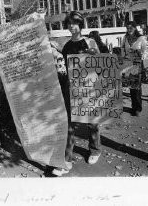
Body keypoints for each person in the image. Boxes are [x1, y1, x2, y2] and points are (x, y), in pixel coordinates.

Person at [52, 11, 101, 176]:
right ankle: (66, 160)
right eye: (69, 24)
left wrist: (94, 55)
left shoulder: (89, 42)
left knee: (91, 122)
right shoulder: (67, 45)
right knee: (70, 124)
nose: (71, 27)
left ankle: (95, 150)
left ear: (80, 24)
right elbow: (65, 59)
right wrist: (52, 45)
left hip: (88, 87)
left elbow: (101, 63)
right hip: (71, 89)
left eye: (74, 23)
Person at [121, 21, 143, 116]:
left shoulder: (141, 38)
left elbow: (146, 52)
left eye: (131, 28)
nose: (129, 29)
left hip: (137, 64)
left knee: (136, 87)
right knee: (131, 87)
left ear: (135, 28)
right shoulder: (125, 38)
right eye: (127, 28)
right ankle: (134, 107)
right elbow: (122, 49)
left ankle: (138, 108)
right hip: (128, 64)